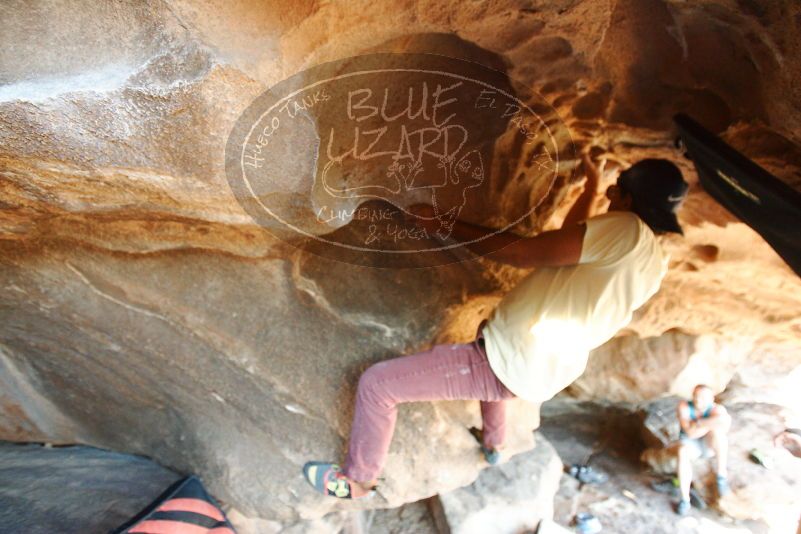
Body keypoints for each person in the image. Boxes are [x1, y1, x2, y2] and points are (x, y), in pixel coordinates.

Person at [303, 149, 689, 499]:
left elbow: (523, 253)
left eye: (614, 190)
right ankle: (495, 446)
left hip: (510, 360)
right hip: (545, 365)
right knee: (489, 339)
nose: (609, 197)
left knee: (379, 385)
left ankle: (357, 481)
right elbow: (561, 245)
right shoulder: (653, 260)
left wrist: (442, 222)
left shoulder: (624, 229)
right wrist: (590, 184)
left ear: (629, 199)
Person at [675, 384, 732, 516]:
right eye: (695, 396)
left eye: (702, 397)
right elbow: (689, 433)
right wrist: (710, 423)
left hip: (708, 446)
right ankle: (685, 499)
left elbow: (725, 421)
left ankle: (721, 476)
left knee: (719, 436)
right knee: (682, 451)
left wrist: (699, 423)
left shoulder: (717, 409)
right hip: (691, 446)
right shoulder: (684, 406)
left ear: (711, 399)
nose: (698, 399)